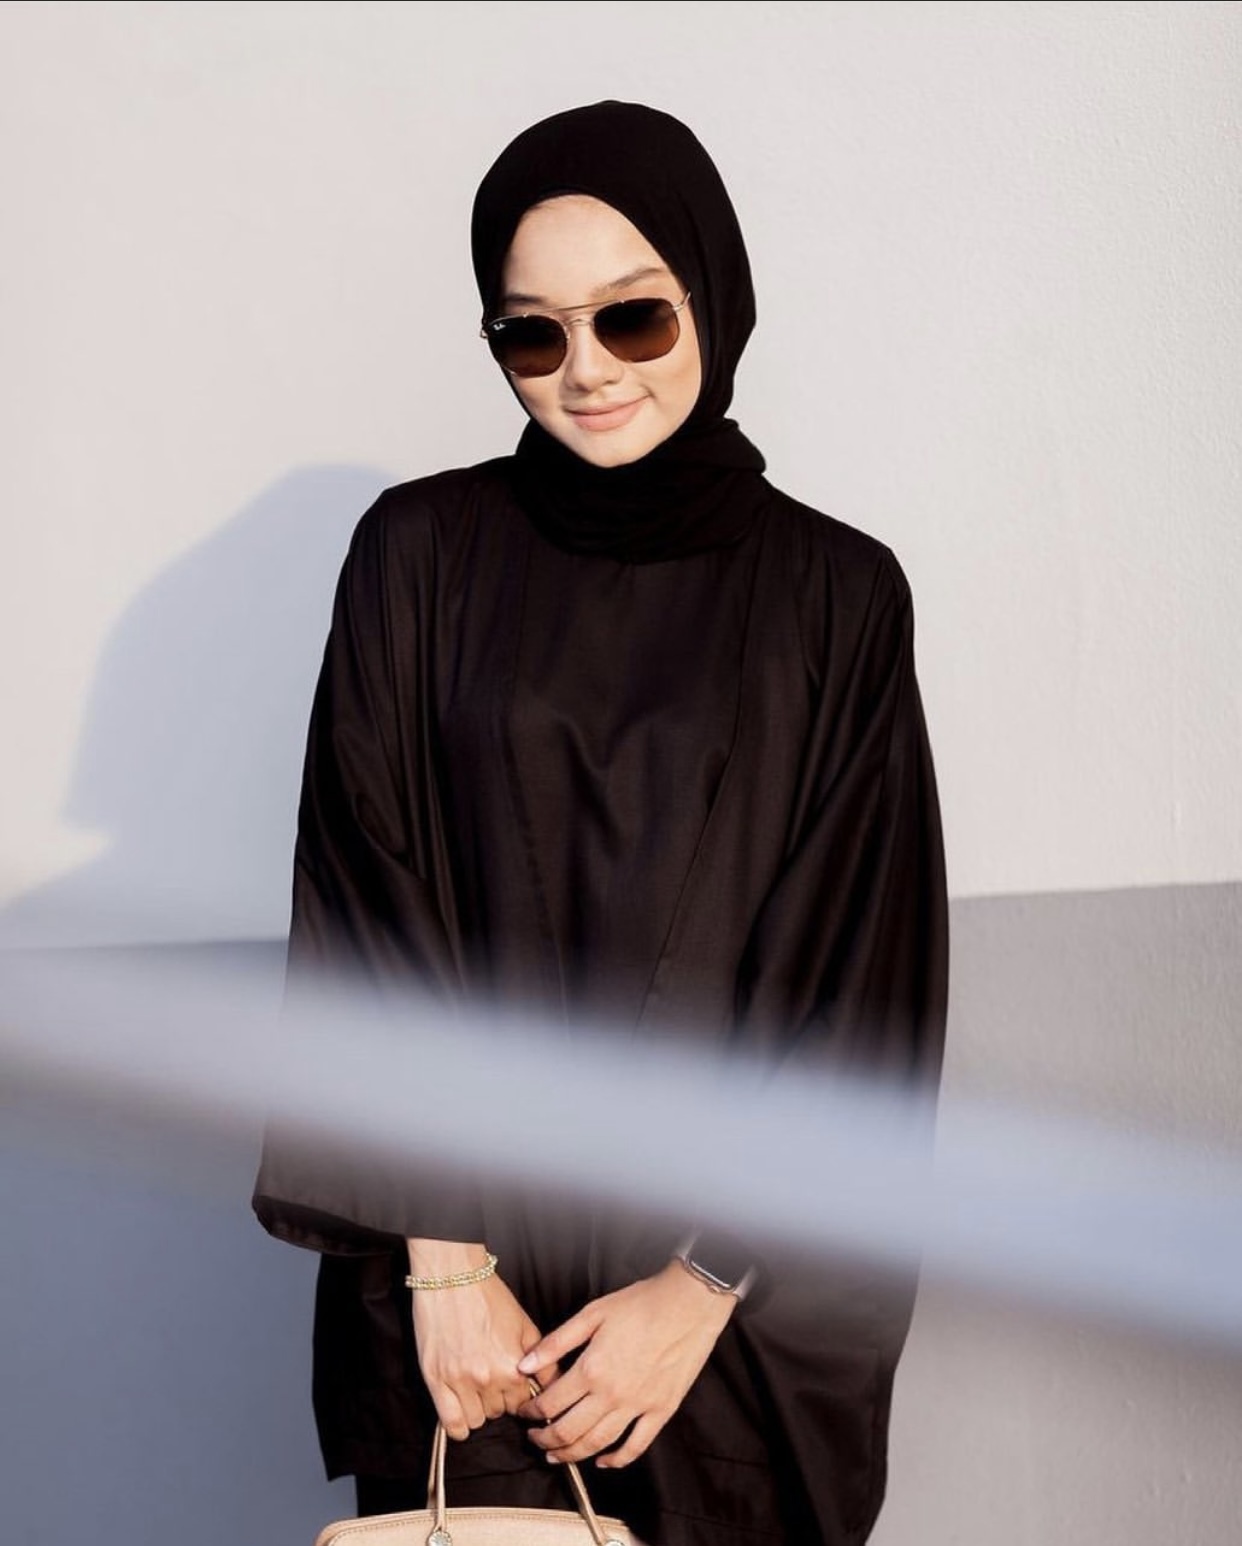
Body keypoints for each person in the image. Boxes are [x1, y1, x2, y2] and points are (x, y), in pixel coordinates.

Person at [254, 101, 948, 1546]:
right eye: (531, 334)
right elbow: (366, 899)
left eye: (632, 317)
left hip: (728, 1317)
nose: (584, 371)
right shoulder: (418, 558)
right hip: (470, 1306)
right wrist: (443, 1258)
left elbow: (859, 980)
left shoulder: (836, 597)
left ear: (713, 296)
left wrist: (699, 1287)